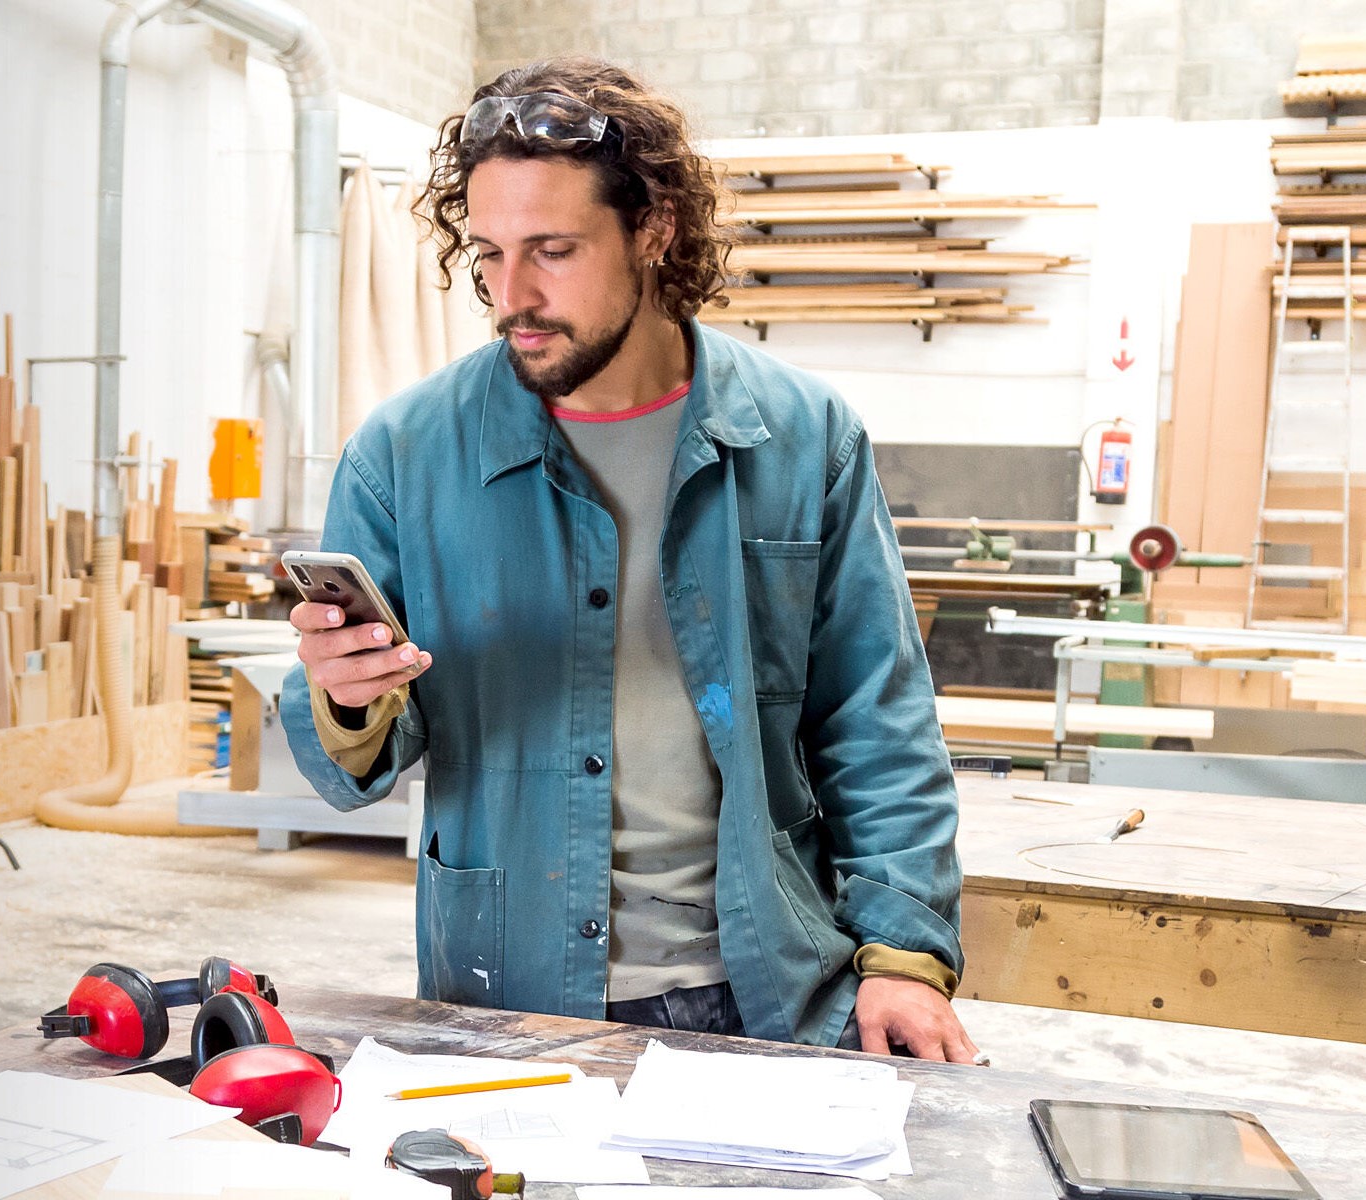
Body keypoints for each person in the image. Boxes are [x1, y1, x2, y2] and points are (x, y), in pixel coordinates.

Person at [279, 57, 980, 1062]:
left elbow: (874, 715)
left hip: (764, 984)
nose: (510, 296)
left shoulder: (800, 435)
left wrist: (902, 954)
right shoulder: (403, 455)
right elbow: (355, 769)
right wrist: (346, 696)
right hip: (505, 988)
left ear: (651, 230)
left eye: (551, 251)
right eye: (487, 254)